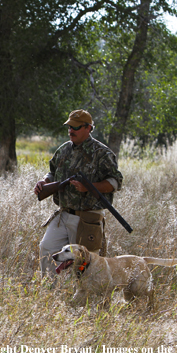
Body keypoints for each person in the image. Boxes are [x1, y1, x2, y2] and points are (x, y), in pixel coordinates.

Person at [33, 109, 123, 278]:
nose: (71, 131)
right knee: (47, 249)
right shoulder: (64, 149)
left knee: (86, 264)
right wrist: (44, 182)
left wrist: (89, 187)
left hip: (87, 218)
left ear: (88, 128)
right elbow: (52, 172)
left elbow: (115, 182)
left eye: (75, 127)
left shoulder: (102, 153)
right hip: (63, 214)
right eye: (69, 127)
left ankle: (84, 298)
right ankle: (52, 293)